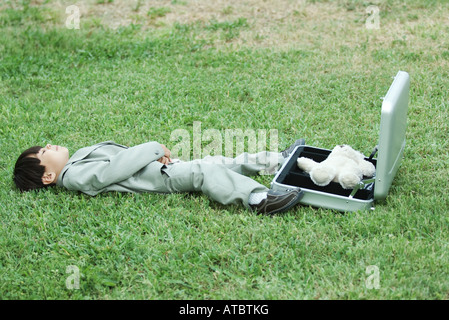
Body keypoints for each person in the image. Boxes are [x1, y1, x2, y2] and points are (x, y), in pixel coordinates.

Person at [13, 139, 305, 215]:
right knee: (206, 171)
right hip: (159, 180)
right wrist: (154, 149)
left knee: (221, 161)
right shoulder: (75, 176)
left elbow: (123, 156)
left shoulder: (77, 159)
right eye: (42, 152)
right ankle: (258, 199)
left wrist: (155, 156)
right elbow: (113, 169)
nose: (48, 146)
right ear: (49, 176)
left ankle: (277, 160)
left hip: (161, 167)